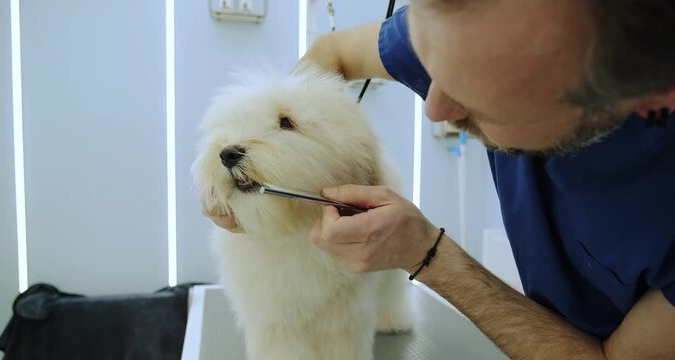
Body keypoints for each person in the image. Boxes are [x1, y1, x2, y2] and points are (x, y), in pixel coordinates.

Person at [204, 0, 675, 358]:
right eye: (431, 68)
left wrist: (426, 252)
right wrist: (281, 146)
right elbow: (333, 54)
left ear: (654, 95)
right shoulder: (478, 23)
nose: (435, 108)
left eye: (482, 95)